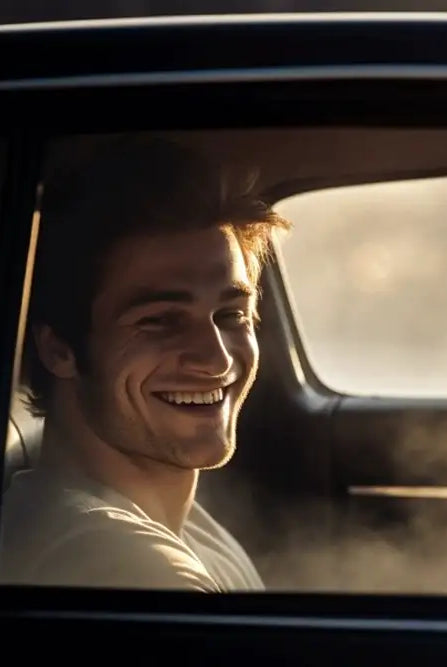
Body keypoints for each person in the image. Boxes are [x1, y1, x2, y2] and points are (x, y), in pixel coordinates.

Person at [0, 136, 290, 591]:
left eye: (231, 314)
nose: (215, 359)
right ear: (60, 349)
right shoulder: (120, 564)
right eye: (159, 321)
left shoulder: (181, 526)